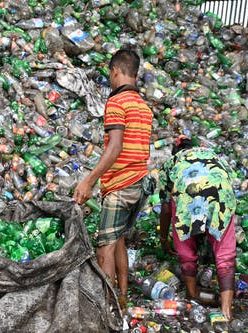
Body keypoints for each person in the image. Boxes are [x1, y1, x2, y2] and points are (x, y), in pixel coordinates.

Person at [73, 49, 153, 305]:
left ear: (115, 71)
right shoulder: (143, 106)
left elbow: (115, 147)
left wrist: (89, 180)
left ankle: (107, 308)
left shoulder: (117, 102)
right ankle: (122, 298)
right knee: (118, 239)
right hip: (139, 184)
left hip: (120, 185)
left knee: (104, 247)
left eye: (110, 73)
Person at [158, 137, 236, 321]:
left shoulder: (172, 163)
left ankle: (192, 295)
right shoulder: (213, 155)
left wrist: (163, 237)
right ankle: (227, 311)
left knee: (186, 247)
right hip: (221, 192)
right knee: (225, 253)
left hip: (188, 193)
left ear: (175, 152)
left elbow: (167, 208)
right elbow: (229, 180)